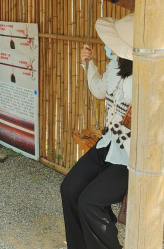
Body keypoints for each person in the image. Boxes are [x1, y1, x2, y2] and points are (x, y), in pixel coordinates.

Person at [60, 14, 134, 249]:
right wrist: (88, 64)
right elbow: (100, 90)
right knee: (69, 188)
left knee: (89, 203)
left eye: (114, 43)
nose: (109, 46)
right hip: (107, 144)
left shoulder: (144, 79)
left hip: (130, 157)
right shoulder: (115, 66)